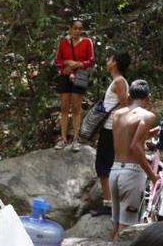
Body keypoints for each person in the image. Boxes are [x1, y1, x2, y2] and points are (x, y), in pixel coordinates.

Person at [109, 80, 159, 241]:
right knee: (125, 231)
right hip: (132, 174)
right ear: (148, 97)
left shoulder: (117, 114)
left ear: (130, 95)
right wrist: (152, 175)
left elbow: (125, 138)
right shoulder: (147, 115)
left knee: (116, 225)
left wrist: (150, 133)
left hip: (115, 171)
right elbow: (135, 146)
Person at [90, 51, 130, 217]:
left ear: (114, 63)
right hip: (109, 128)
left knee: (103, 166)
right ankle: (110, 203)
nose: (107, 61)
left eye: (109, 59)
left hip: (111, 129)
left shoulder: (119, 82)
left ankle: (108, 204)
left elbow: (125, 105)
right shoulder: (118, 81)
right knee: (104, 165)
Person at [54, 19, 94, 151]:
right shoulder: (64, 42)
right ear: (70, 29)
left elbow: (91, 60)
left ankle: (76, 138)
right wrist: (67, 63)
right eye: (75, 28)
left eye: (80, 28)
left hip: (80, 76)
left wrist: (80, 64)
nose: (77, 30)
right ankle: (63, 138)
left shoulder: (87, 42)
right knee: (64, 107)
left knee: (76, 108)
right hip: (65, 76)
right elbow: (58, 61)